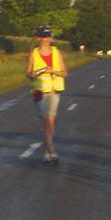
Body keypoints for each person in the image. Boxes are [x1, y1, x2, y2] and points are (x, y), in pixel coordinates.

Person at [25, 26, 68, 164]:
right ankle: (52, 152)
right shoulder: (34, 54)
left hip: (54, 91)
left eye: (48, 36)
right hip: (39, 92)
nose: (47, 39)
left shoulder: (56, 52)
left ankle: (46, 151)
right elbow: (28, 73)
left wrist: (52, 71)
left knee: (51, 123)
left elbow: (64, 73)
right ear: (39, 38)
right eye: (44, 36)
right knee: (46, 122)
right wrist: (37, 73)